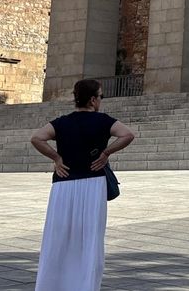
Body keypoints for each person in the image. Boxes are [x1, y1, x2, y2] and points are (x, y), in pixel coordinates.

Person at [31, 79, 135, 291]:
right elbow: (127, 134)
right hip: (92, 183)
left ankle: (51, 285)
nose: (101, 101)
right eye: (101, 97)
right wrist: (106, 153)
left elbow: (37, 138)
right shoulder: (103, 121)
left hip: (63, 184)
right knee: (90, 238)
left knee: (58, 237)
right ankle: (85, 286)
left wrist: (56, 158)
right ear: (93, 100)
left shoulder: (62, 122)